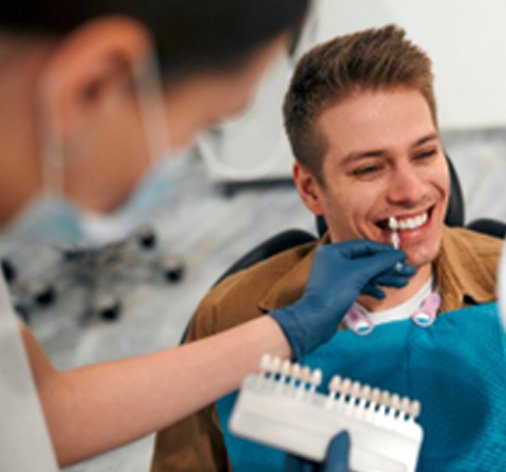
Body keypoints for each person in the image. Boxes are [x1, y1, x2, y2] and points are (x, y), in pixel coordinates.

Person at [152, 25, 506, 472]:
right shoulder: (230, 321)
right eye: (370, 167)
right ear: (309, 188)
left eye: (424, 154)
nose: (411, 190)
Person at [0, 3, 414, 470]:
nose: (409, 191)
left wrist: (289, 329)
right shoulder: (227, 306)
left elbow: (37, 415)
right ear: (92, 86)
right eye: (204, 126)